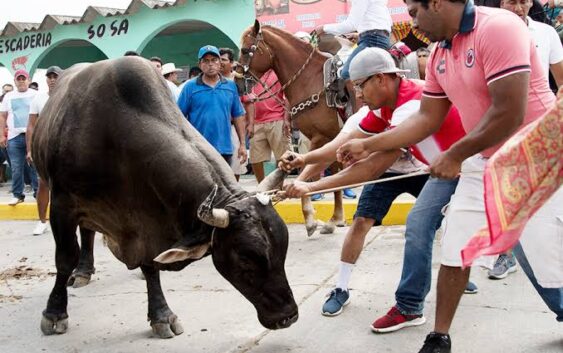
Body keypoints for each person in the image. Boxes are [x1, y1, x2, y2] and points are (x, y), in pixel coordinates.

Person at [336, 1, 561, 351]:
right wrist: (368, 145)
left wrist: (455, 154)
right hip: (483, 160)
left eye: (413, 12)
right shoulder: (442, 53)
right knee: (455, 247)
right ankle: (439, 337)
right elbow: (426, 118)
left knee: (542, 253)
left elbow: (509, 111)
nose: (411, 23)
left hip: (535, 157)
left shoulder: (498, 27)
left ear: (437, 3)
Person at [280, 47, 470, 323]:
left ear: (381, 79)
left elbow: (370, 167)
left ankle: (452, 277)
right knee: (407, 225)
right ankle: (406, 304)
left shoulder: (410, 106)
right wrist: (304, 160)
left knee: (504, 239)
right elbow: (341, 146)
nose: (357, 95)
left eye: (359, 86)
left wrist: (311, 187)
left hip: (462, 171)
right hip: (438, 171)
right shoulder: (383, 108)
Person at [177, 45, 247, 167]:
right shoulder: (190, 87)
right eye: (206, 61)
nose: (210, 64)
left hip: (224, 148)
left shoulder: (230, 86)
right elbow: (178, 117)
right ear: (200, 64)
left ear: (220, 63)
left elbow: (238, 115)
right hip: (198, 149)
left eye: (214, 60)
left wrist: (242, 144)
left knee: (223, 184)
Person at [315, 0, 393, 80]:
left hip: (371, 40)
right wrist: (360, 35)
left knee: (346, 73)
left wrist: (323, 28)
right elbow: (386, 23)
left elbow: (351, 24)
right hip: (380, 39)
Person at [26, 66, 62, 235]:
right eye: (50, 76)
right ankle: (42, 221)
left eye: (56, 76)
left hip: (65, 149)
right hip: (45, 148)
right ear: (46, 79)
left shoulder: (67, 96)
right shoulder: (38, 99)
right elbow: (31, 126)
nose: (53, 79)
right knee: (43, 183)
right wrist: (30, 149)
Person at [500, 0, 563, 87]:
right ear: (502, 4)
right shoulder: (488, 34)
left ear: (531, 3)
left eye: (523, 2)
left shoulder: (547, 32)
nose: (518, 8)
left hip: (542, 98)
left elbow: (561, 79)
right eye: (512, 3)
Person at [0, 69, 38, 206]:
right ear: (15, 81)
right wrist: (1, 135)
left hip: (33, 137)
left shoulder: (36, 95)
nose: (21, 81)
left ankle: (37, 193)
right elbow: (2, 116)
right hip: (14, 137)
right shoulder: (8, 96)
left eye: (24, 78)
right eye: (19, 79)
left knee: (34, 166)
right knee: (16, 167)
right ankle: (17, 194)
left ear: (28, 80)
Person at [249, 69, 291, 182]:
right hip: (255, 121)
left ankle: (278, 186)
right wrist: (249, 122)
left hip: (277, 118)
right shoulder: (250, 73)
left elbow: (288, 96)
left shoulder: (278, 72)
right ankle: (262, 185)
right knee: (255, 158)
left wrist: (287, 119)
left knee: (283, 156)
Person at [220, 47, 249, 180]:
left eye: (223, 60)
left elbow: (247, 102)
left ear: (231, 62)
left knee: (235, 165)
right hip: (217, 128)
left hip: (234, 127)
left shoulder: (238, 80)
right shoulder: (210, 79)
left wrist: (250, 124)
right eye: (217, 59)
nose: (219, 63)